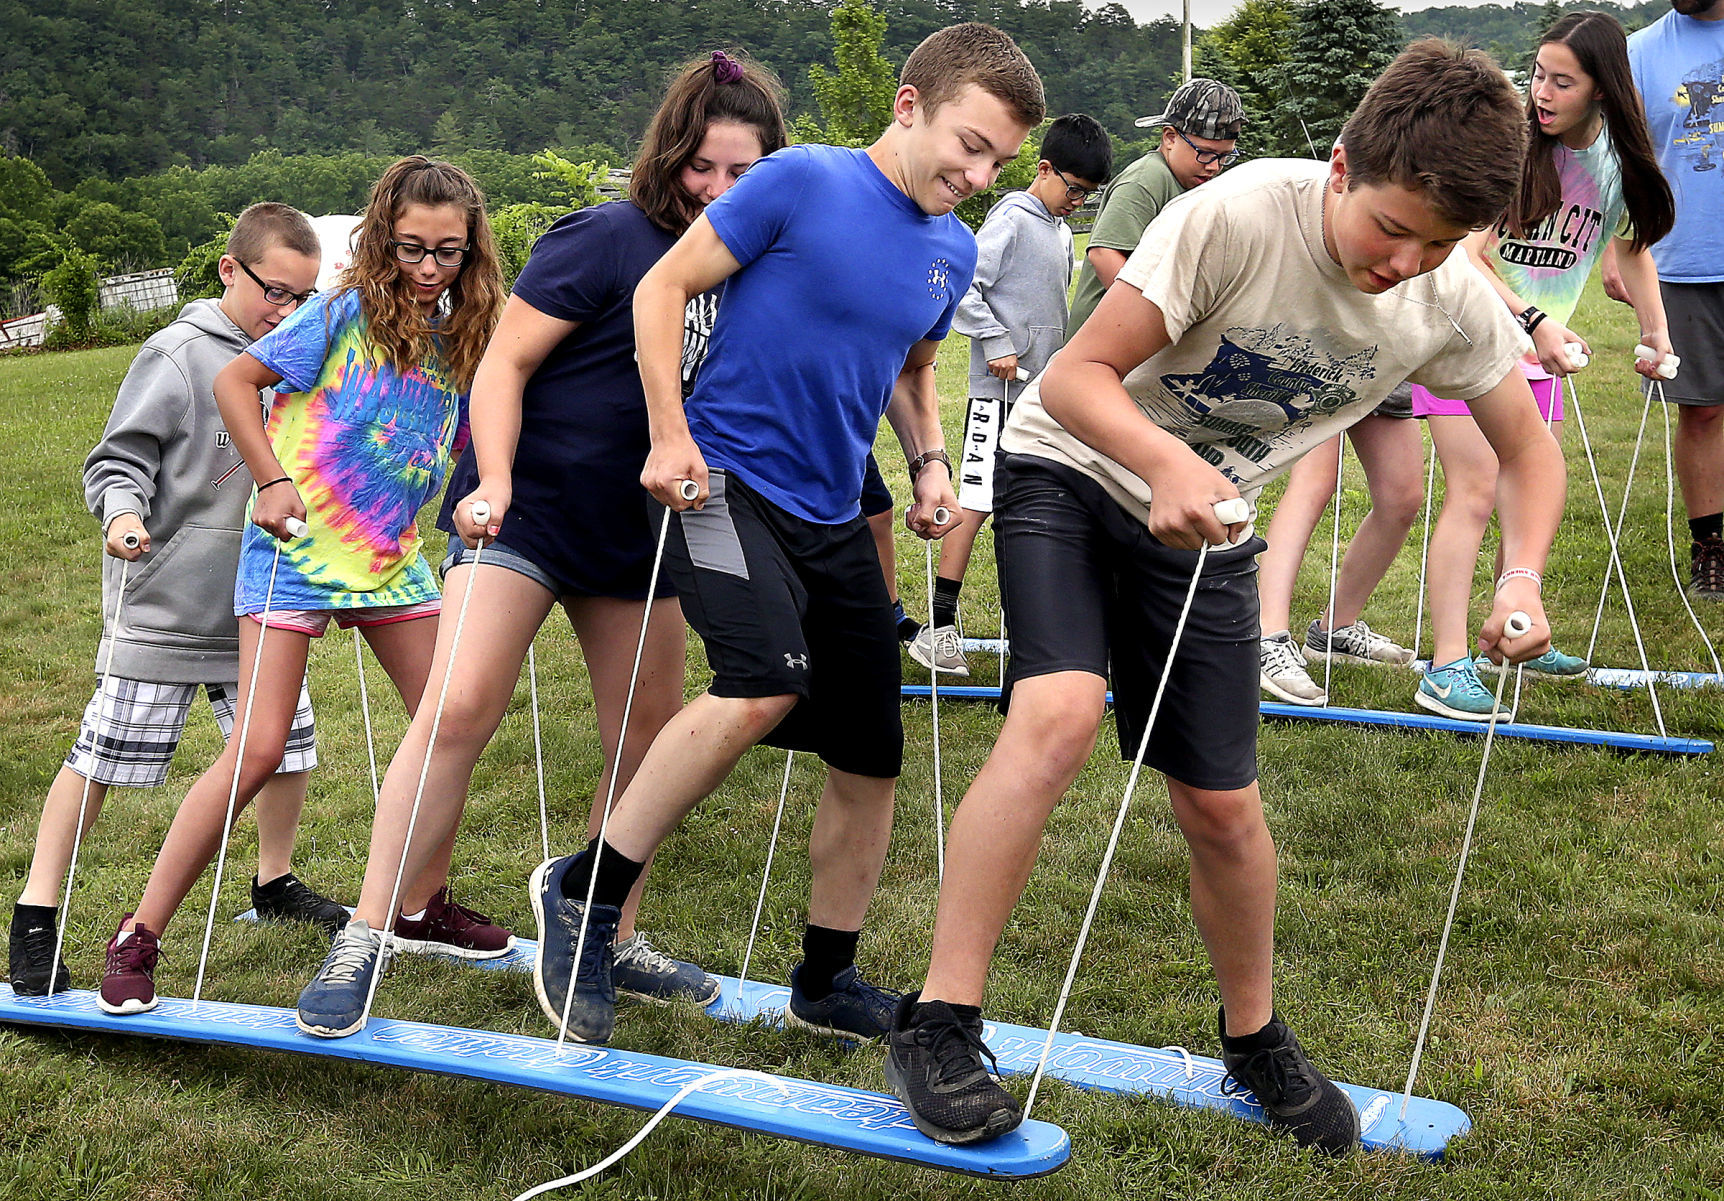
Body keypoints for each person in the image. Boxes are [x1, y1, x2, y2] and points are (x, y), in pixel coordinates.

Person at [883, 40, 1566, 1152]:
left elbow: (1527, 456)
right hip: (1073, 465)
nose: (1405, 261)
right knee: (1053, 714)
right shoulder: (1241, 211)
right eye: (1390, 228)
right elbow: (1073, 379)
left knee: (1220, 805)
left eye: (1437, 243)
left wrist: (1522, 577)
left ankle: (1251, 1038)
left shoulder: (1445, 293)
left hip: (1206, 522)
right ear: (1340, 167)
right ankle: (940, 1019)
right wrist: (1161, 466)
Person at [527, 23, 1044, 1047]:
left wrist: (931, 462)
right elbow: (659, 286)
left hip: (830, 512)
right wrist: (669, 431)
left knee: (870, 750)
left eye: (999, 161)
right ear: (909, 106)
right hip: (716, 482)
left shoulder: (949, 247)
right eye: (969, 144)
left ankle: (826, 975)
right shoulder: (802, 181)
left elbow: (905, 374)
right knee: (761, 679)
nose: (980, 174)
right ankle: (584, 894)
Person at [292, 52, 790, 1040]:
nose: (720, 191)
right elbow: (502, 367)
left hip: (643, 532)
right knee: (458, 706)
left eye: (744, 173)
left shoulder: (747, 265)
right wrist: (494, 480)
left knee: (643, 738)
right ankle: (362, 932)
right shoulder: (605, 237)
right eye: (703, 168)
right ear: (670, 155)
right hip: (528, 511)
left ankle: (610, 929)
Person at [96, 157, 506, 1016]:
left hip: (391, 559)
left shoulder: (469, 331)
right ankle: (139, 932)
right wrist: (271, 479)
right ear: (381, 240)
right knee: (256, 749)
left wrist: (475, 491)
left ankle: (421, 903)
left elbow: (470, 430)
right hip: (297, 550)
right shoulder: (342, 313)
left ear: (473, 251)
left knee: (452, 720)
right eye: (411, 249)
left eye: (449, 252)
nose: (429, 269)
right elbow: (233, 380)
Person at [6, 205, 345, 997]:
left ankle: (274, 881)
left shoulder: (294, 355)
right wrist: (123, 515)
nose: (287, 310)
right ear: (229, 270)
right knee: (103, 758)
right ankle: (35, 911)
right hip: (164, 602)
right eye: (275, 291)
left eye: (303, 296)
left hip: (257, 602)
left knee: (285, 746)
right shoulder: (177, 353)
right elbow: (117, 457)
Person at [1414, 10, 1675, 721]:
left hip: (1534, 355)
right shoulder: (1509, 148)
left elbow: (1632, 249)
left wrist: (1657, 333)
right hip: (1461, 336)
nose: (1542, 92)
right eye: (1537, 75)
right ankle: (1443, 665)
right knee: (1473, 489)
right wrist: (1534, 320)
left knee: (1524, 498)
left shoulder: (1615, 163)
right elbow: (1465, 258)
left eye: (1563, 81)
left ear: (1603, 90)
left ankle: (1511, 631)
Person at [908, 113, 1112, 678]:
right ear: (1044, 170)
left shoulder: (1062, 229)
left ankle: (1022, 623)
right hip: (992, 394)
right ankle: (938, 627)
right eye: (1073, 189)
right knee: (973, 500)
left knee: (1022, 503)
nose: (1077, 201)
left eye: (1087, 195)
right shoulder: (1013, 217)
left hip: (1035, 399)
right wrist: (996, 340)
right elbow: (965, 281)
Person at [1619, 0, 1724, 598]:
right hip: (1680, 259)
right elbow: (1621, 162)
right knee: (1703, 408)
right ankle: (1711, 545)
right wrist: (1620, 249)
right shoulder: (1640, 53)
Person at [1256, 384, 1423, 707]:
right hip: (1330, 352)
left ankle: (1334, 631)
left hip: (1392, 357)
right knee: (1315, 482)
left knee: (1401, 498)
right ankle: (1267, 637)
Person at [1064, 79, 1243, 338]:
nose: (1214, 166)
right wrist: (1156, 323)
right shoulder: (1146, 179)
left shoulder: (1191, 185)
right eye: (1205, 153)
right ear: (1170, 137)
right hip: (1104, 343)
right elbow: (1104, 255)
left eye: (1224, 156)